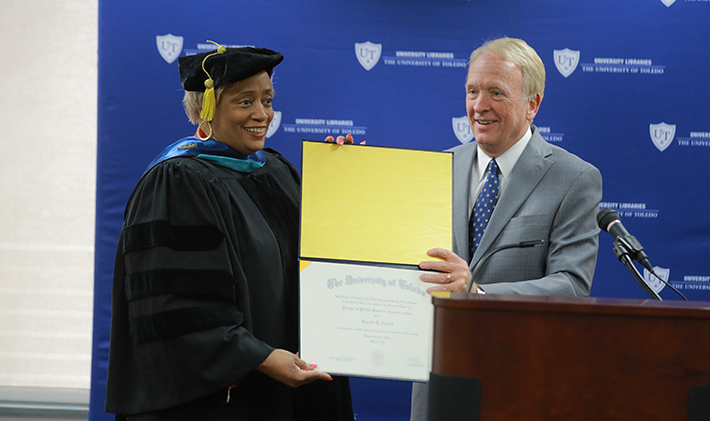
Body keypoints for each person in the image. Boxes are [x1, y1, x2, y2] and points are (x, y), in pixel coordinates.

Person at [105, 42, 354, 420]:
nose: (262, 114)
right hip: (224, 402)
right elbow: (176, 310)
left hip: (288, 390)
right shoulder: (177, 181)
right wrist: (263, 358)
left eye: (267, 100)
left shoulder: (273, 169)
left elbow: (310, 262)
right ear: (207, 110)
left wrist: (344, 180)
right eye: (245, 102)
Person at [410, 37, 603, 421]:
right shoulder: (436, 167)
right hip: (438, 377)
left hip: (522, 381)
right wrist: (345, 166)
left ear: (532, 104)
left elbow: (572, 285)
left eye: (496, 92)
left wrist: (477, 293)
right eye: (472, 91)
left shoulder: (574, 178)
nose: (479, 106)